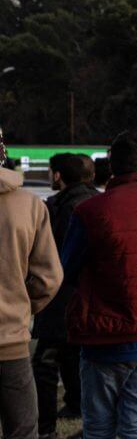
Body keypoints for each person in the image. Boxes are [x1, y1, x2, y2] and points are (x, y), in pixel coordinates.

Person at [64, 132, 137, 439]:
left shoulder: (90, 211)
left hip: (101, 334)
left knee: (98, 427)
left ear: (112, 165)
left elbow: (68, 268)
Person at [32, 154, 96, 437]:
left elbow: (53, 254)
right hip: (85, 294)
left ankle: (45, 427)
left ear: (57, 175)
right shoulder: (93, 200)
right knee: (72, 355)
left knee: (45, 363)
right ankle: (75, 404)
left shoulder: (62, 207)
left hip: (61, 296)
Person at [0, 148, 62, 439]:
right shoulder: (30, 205)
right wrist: (20, 304)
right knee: (23, 429)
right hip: (11, 340)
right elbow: (49, 278)